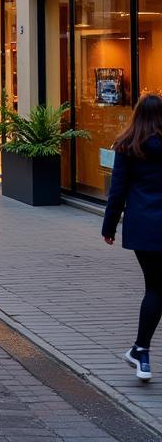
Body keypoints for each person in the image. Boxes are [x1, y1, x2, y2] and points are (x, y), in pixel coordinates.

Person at [104, 93, 162, 381]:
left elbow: (118, 190)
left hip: (142, 228)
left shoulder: (127, 146)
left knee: (155, 287)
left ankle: (141, 350)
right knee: (157, 290)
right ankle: (140, 350)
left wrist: (109, 227)